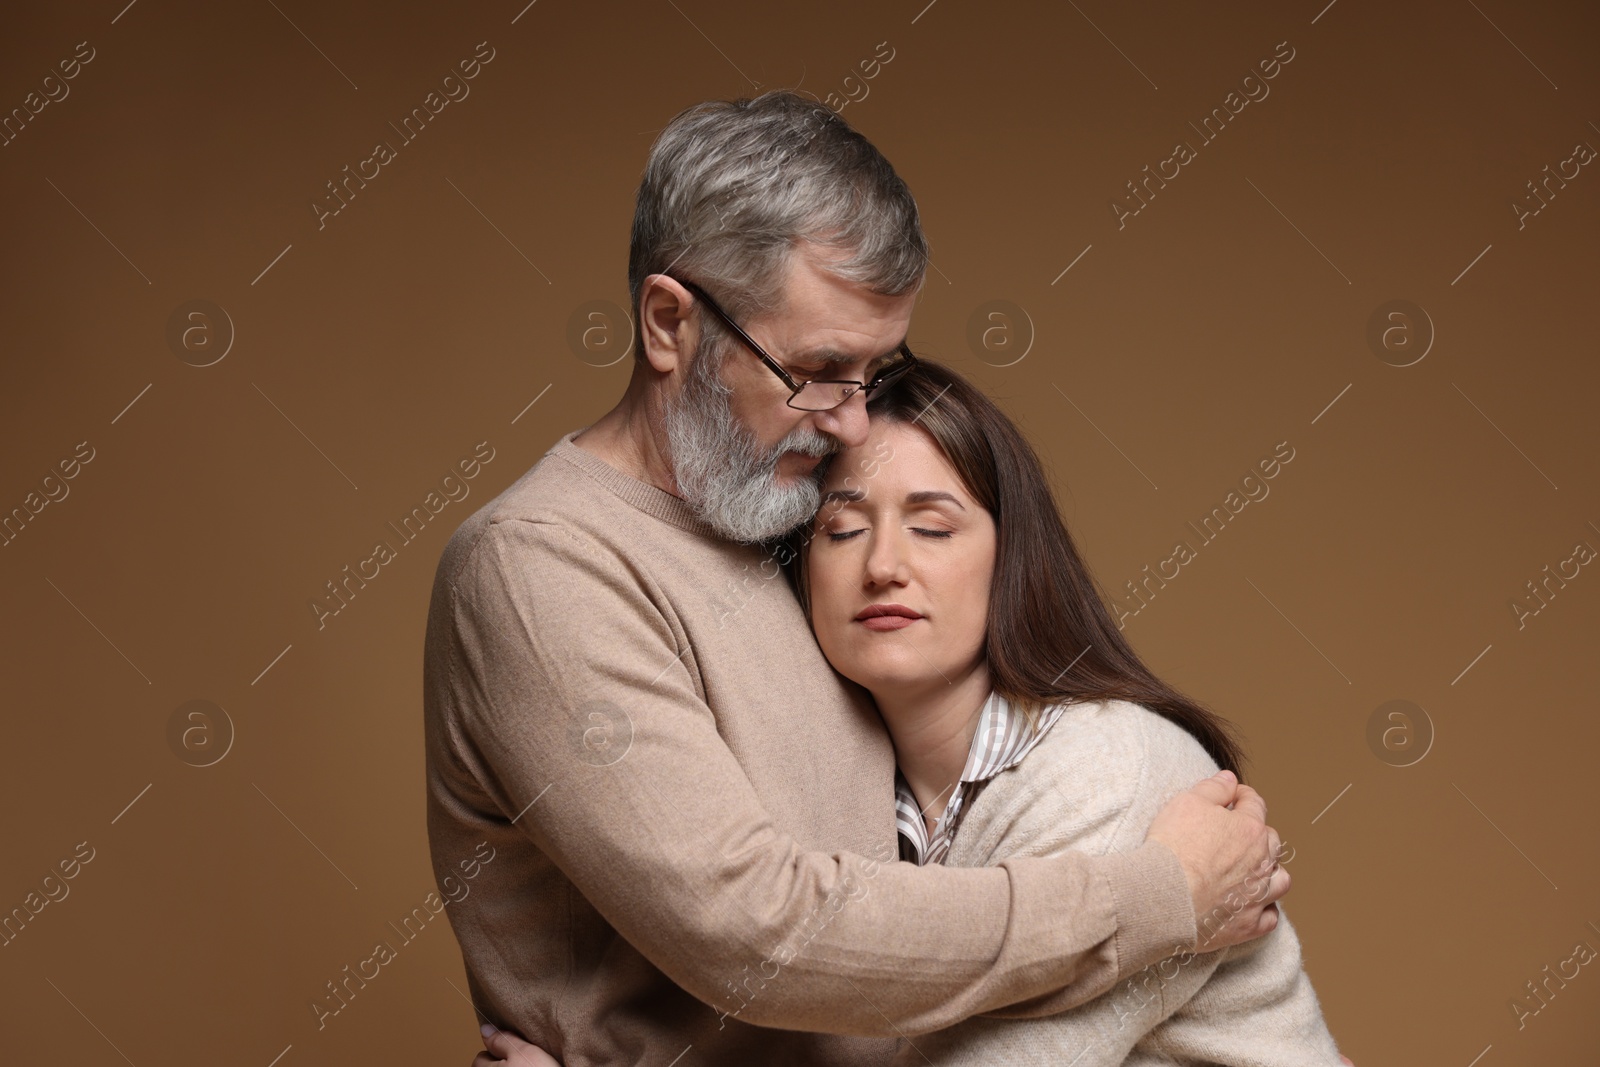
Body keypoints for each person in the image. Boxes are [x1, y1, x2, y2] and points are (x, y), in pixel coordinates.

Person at [426, 89, 1289, 1067]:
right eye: (820, 367)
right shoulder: (541, 566)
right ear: (668, 324)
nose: (848, 423)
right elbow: (758, 931)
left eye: (875, 371)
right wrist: (1157, 896)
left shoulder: (781, 510)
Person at [473, 360, 1353, 1067]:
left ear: (1012, 558)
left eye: (933, 527)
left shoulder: (1115, 770)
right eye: (843, 530)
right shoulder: (850, 807)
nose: (885, 564)